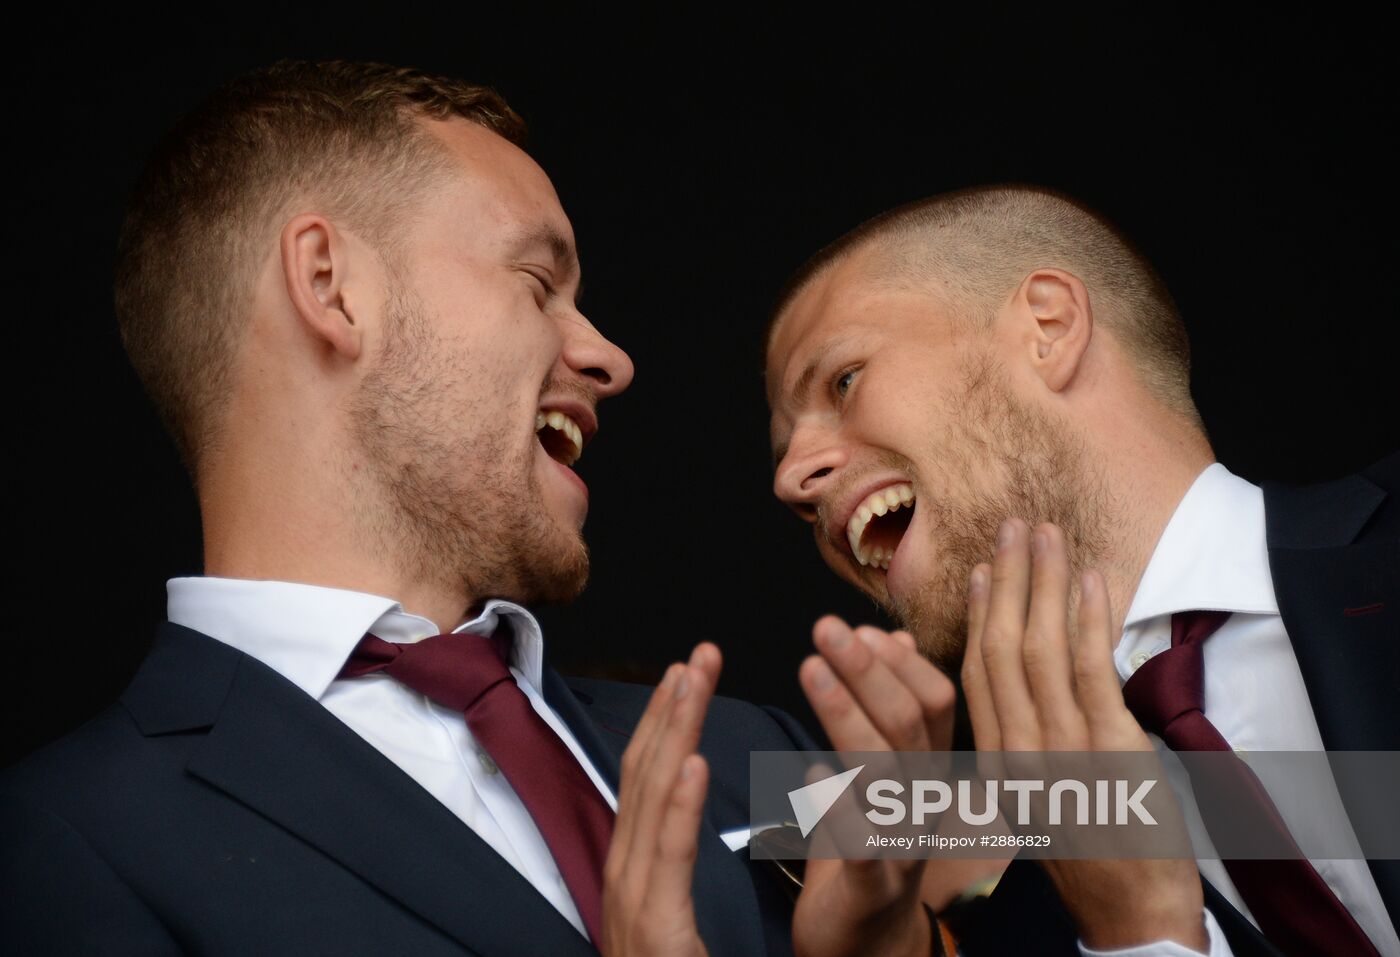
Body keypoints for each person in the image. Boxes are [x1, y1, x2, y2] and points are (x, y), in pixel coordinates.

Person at [0, 60, 958, 956]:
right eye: (540, 283)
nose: (609, 358)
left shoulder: (756, 752)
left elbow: (1092, 818)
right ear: (331, 287)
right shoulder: (58, 843)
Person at [765, 184, 1399, 956]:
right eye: (784, 448)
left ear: (1048, 326)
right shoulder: (1013, 928)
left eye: (843, 381)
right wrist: (1141, 940)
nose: (791, 479)